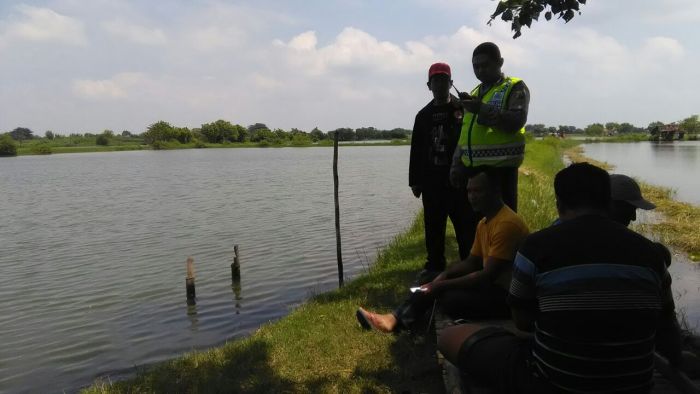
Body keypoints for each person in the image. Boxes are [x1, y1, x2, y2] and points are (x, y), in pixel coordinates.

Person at [437, 163, 682, 393]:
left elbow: (521, 321)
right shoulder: (651, 254)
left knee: (449, 336)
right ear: (608, 202)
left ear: (559, 203)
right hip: (633, 387)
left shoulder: (535, 247)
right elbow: (666, 326)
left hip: (553, 383)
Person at [356, 170, 529, 333]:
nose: (472, 197)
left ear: (495, 191)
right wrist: (444, 276)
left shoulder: (506, 224)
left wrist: (440, 285)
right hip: (492, 287)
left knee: (449, 299)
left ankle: (402, 320)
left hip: (509, 297)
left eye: (478, 191)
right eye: (469, 191)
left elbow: (486, 276)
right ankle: (395, 319)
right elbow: (472, 262)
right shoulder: (484, 223)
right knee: (429, 276)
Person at [409, 62, 480, 284]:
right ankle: (434, 266)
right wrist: (415, 181)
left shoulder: (464, 109)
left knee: (465, 224)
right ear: (429, 85)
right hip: (432, 181)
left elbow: (474, 139)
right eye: (435, 81)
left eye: (444, 80)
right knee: (433, 225)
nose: (439, 84)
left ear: (451, 83)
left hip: (460, 180)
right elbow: (416, 149)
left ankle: (469, 263)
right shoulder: (423, 115)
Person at [450, 42, 530, 212]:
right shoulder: (474, 93)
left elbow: (516, 121)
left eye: (485, 65)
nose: (480, 70)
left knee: (501, 227)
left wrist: (481, 109)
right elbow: (465, 133)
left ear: (500, 62)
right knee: (476, 230)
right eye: (475, 67)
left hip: (500, 174)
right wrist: (456, 162)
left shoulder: (514, 87)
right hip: (471, 173)